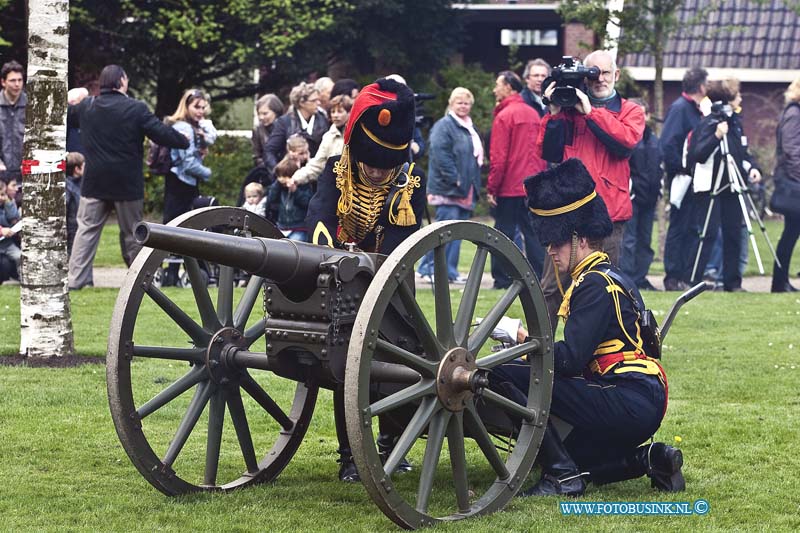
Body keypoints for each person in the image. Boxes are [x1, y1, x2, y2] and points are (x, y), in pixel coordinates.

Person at [490, 158, 683, 497]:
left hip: (627, 395)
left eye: (557, 242)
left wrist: (520, 338)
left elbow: (568, 361)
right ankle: (652, 459)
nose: (550, 250)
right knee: (575, 454)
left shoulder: (593, 284)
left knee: (504, 373)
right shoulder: (611, 275)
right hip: (637, 395)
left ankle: (562, 477)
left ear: (579, 238)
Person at [306, 77, 425, 482]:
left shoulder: (409, 185)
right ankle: (350, 457)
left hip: (390, 287)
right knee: (346, 368)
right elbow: (320, 215)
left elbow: (403, 241)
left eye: (386, 166)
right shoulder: (337, 171)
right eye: (371, 163)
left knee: (396, 364)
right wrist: (337, 256)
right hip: (340, 283)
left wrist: (369, 262)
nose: (377, 172)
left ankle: (392, 443)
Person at [538, 50, 645, 330]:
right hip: (568, 213)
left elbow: (625, 143)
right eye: (592, 73)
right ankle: (539, 355)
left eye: (605, 73)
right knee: (551, 288)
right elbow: (547, 151)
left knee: (603, 288)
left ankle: (597, 355)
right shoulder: (568, 111)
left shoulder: (630, 111)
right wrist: (554, 113)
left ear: (616, 75)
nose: (599, 80)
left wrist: (590, 112)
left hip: (608, 215)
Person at [67, 64, 189, 290]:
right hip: (126, 184)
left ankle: (75, 280)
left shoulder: (87, 107)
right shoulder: (136, 109)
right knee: (133, 234)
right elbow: (160, 133)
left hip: (94, 181)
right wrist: (183, 140)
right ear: (121, 82)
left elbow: (62, 115)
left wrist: (71, 98)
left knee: (86, 231)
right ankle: (140, 281)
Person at [686, 78, 760, 292]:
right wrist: (717, 136)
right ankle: (693, 280)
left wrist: (752, 168)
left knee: (734, 233)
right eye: (738, 94)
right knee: (707, 234)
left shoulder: (735, 121)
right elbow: (698, 155)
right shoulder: (710, 122)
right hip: (710, 186)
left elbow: (742, 151)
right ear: (728, 98)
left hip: (731, 185)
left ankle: (732, 282)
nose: (741, 98)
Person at [417, 87, 483, 284]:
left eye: (466, 103)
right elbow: (439, 153)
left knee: (456, 232)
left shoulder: (469, 127)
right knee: (446, 232)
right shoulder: (444, 126)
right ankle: (437, 270)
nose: (463, 106)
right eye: (459, 102)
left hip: (464, 188)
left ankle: (439, 269)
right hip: (448, 188)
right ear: (451, 104)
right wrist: (454, 177)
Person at [488, 70, 547, 287]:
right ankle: (540, 278)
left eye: (498, 84)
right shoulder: (533, 114)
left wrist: (492, 188)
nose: (495, 89)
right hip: (532, 185)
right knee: (532, 235)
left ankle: (502, 279)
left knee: (502, 233)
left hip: (510, 186)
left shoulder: (504, 116)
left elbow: (499, 158)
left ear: (509, 88)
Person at [661, 67, 709, 291]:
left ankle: (683, 274)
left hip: (694, 178)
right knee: (679, 225)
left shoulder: (694, 109)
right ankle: (672, 276)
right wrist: (680, 169)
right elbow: (668, 142)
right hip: (683, 178)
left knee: (690, 226)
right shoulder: (681, 109)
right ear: (700, 86)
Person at [620, 99, 662, 291]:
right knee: (628, 240)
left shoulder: (653, 139)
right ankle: (627, 278)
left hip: (650, 197)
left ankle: (640, 276)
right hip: (632, 197)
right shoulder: (627, 138)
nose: (642, 118)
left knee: (645, 240)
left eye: (644, 114)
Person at [162, 88, 218, 224]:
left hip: (184, 181)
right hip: (181, 183)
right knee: (176, 225)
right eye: (196, 107)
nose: (201, 111)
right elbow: (188, 163)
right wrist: (208, 173)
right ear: (186, 107)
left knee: (183, 225)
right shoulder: (184, 128)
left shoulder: (192, 127)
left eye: (203, 107)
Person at [771, 77, 800, 293]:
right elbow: (791, 150)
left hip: (793, 181)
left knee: (790, 233)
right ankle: (779, 282)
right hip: (794, 184)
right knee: (790, 234)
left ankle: (780, 282)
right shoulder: (794, 114)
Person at [263, 82, 329, 178]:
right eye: (314, 100)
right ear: (302, 103)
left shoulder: (324, 120)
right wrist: (279, 173)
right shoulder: (284, 122)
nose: (318, 103)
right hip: (290, 177)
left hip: (317, 177)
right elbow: (269, 151)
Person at [291, 94, 352, 188]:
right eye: (333, 112)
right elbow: (317, 164)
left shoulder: (357, 134)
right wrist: (296, 178)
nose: (335, 115)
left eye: (340, 111)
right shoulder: (328, 137)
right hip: (335, 187)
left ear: (349, 113)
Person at [267, 157, 313, 241]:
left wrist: (295, 191)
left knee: (295, 246)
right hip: (282, 226)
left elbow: (307, 203)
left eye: (284, 176)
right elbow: (271, 199)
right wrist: (277, 184)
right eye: (279, 176)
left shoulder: (304, 186)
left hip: (299, 227)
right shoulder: (279, 187)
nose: (282, 179)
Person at [0, 60, 26, 184]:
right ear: (3, 82)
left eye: (20, 80)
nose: (17, 84)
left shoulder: (31, 105)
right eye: (12, 80)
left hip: (24, 172)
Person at [251, 94, 284, 167]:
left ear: (276, 112)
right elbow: (256, 156)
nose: (261, 117)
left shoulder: (287, 126)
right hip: (266, 170)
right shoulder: (258, 129)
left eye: (265, 113)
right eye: (259, 114)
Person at [0, 179, 21, 281]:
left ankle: (21, 277)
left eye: (4, 194)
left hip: (7, 243)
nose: (2, 198)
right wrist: (1, 231)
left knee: (19, 256)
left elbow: (13, 218)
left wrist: (9, 202)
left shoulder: (6, 205)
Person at [65, 152, 85, 257]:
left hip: (80, 227)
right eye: (84, 165)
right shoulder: (68, 187)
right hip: (72, 229)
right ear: (77, 169)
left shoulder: (81, 183)